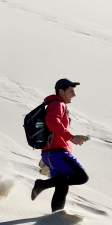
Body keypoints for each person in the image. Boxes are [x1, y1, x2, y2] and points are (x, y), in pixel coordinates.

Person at [31, 79, 89, 212]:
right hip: (57, 153)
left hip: (51, 154)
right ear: (61, 91)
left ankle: (56, 216)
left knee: (62, 185)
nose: (74, 95)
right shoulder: (58, 104)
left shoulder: (57, 104)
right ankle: (42, 184)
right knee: (81, 177)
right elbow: (52, 122)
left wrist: (73, 138)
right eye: (71, 91)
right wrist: (71, 137)